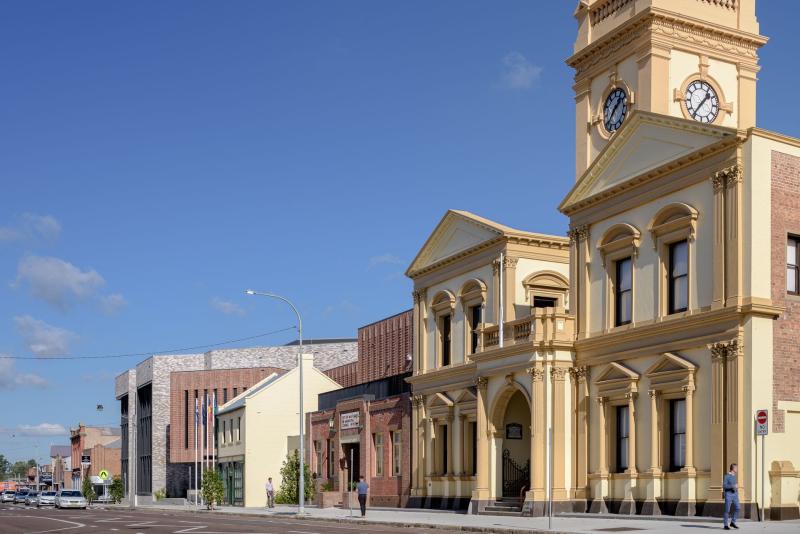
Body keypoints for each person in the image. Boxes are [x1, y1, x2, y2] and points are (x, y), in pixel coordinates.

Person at [723, 463, 739, 530]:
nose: (737, 469)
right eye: (736, 468)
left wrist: (736, 489)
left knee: (738, 508)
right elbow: (724, 486)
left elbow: (734, 485)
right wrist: (732, 486)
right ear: (733, 468)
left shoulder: (734, 476)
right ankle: (726, 525)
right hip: (728, 494)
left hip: (735, 495)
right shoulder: (727, 476)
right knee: (727, 510)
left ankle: (733, 522)